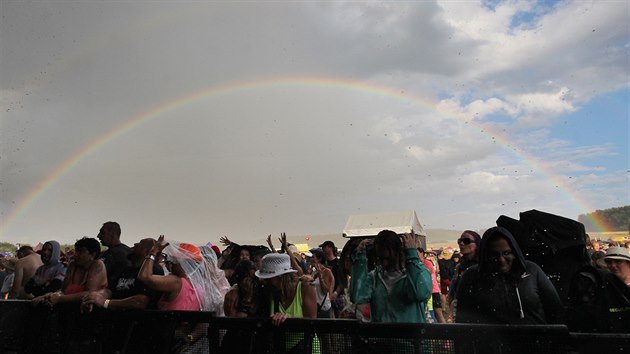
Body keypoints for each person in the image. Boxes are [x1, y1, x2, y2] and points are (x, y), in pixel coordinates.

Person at [455, 227, 563, 325]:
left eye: (506, 253)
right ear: (486, 255)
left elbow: (555, 310)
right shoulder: (472, 276)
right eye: (494, 254)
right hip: (491, 344)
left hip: (536, 342)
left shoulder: (531, 271)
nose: (501, 260)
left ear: (515, 253)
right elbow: (464, 319)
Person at [350, 230, 432, 323]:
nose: (384, 262)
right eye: (380, 258)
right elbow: (357, 297)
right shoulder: (374, 277)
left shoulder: (415, 274)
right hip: (381, 337)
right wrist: (360, 258)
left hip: (410, 336)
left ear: (399, 252)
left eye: (388, 258)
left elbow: (420, 294)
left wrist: (412, 255)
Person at [255, 253, 316, 353]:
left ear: (281, 277)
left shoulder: (305, 288)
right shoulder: (270, 290)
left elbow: (312, 322)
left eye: (270, 278)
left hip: (305, 348)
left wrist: (289, 320)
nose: (266, 281)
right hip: (280, 348)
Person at [567, 246, 630, 333]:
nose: (612, 265)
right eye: (609, 262)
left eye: (618, 261)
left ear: (628, 264)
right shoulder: (600, 287)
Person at [33, 237, 107, 306]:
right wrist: (47, 296)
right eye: (76, 251)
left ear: (93, 254)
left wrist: (59, 299)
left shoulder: (97, 265)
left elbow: (89, 294)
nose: (76, 254)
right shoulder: (73, 265)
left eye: (80, 252)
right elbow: (63, 291)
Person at [97, 221, 132, 291]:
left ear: (113, 234)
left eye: (102, 232)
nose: (98, 236)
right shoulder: (105, 253)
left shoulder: (123, 253)